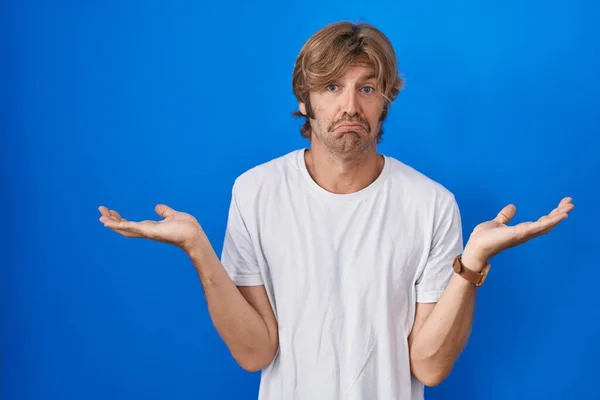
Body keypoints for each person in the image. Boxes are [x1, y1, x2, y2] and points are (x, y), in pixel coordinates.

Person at [98, 21, 574, 400]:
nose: (350, 105)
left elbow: (429, 366)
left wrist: (472, 264)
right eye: (331, 88)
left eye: (367, 88)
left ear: (385, 100)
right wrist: (199, 250)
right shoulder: (256, 191)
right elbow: (255, 351)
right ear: (304, 100)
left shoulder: (431, 204)